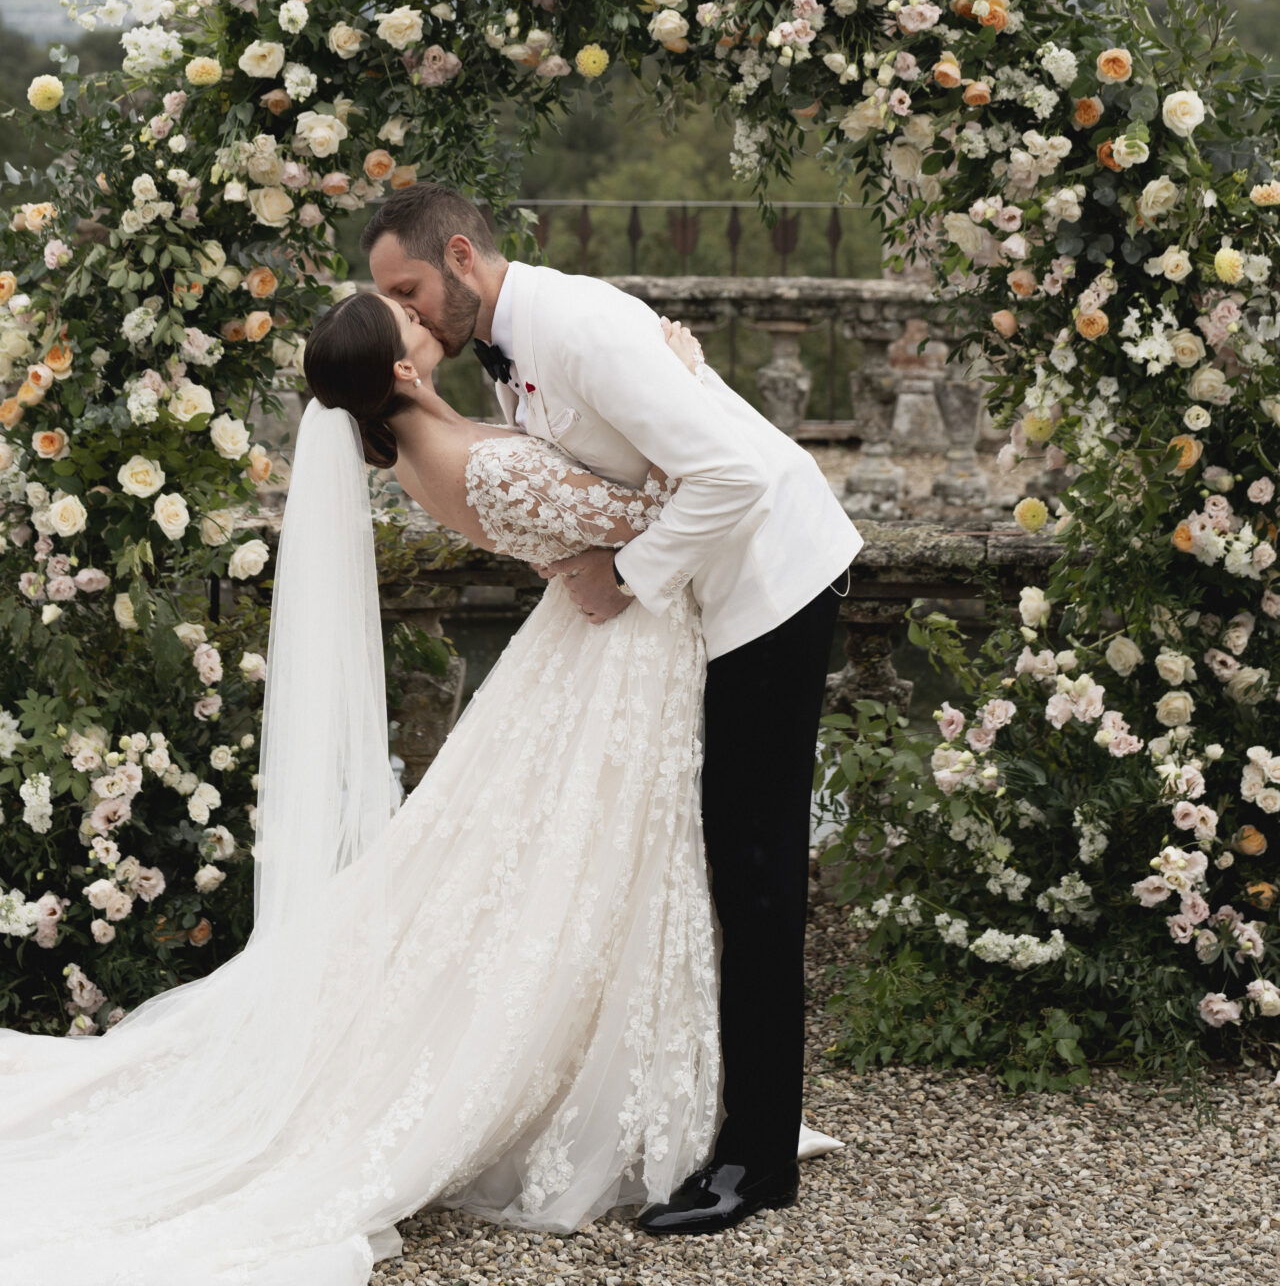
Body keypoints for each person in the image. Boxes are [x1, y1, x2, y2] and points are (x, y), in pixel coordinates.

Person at [0, 290, 840, 1285]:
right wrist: (684, 375)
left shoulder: (440, 443)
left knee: (592, 868)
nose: (419, 320)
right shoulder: (463, 461)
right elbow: (654, 505)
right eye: (401, 320)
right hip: (616, 648)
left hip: (608, 645)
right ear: (398, 370)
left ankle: (667, 1081)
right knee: (591, 866)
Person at [363, 181, 863, 1237]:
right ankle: (719, 1120)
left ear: (459, 256)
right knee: (728, 858)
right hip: (707, 589)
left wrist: (626, 574)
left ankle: (756, 1160)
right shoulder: (511, 346)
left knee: (758, 870)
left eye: (408, 288)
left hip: (769, 584)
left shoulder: (578, 326)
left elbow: (730, 473)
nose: (406, 313)